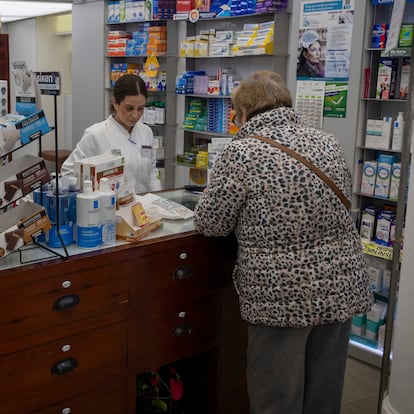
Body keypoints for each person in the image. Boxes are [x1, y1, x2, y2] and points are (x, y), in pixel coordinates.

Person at [193, 71, 372, 414]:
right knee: (324, 394)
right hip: (339, 288)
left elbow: (211, 223)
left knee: (277, 397)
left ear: (244, 112)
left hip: (281, 296)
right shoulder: (327, 141)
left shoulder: (241, 152)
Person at [61, 74, 161, 194]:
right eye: (129, 108)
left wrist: (158, 198)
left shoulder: (146, 132)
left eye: (140, 108)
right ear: (115, 103)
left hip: (143, 208)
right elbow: (67, 173)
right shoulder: (96, 134)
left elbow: (152, 171)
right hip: (110, 208)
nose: (135, 115)